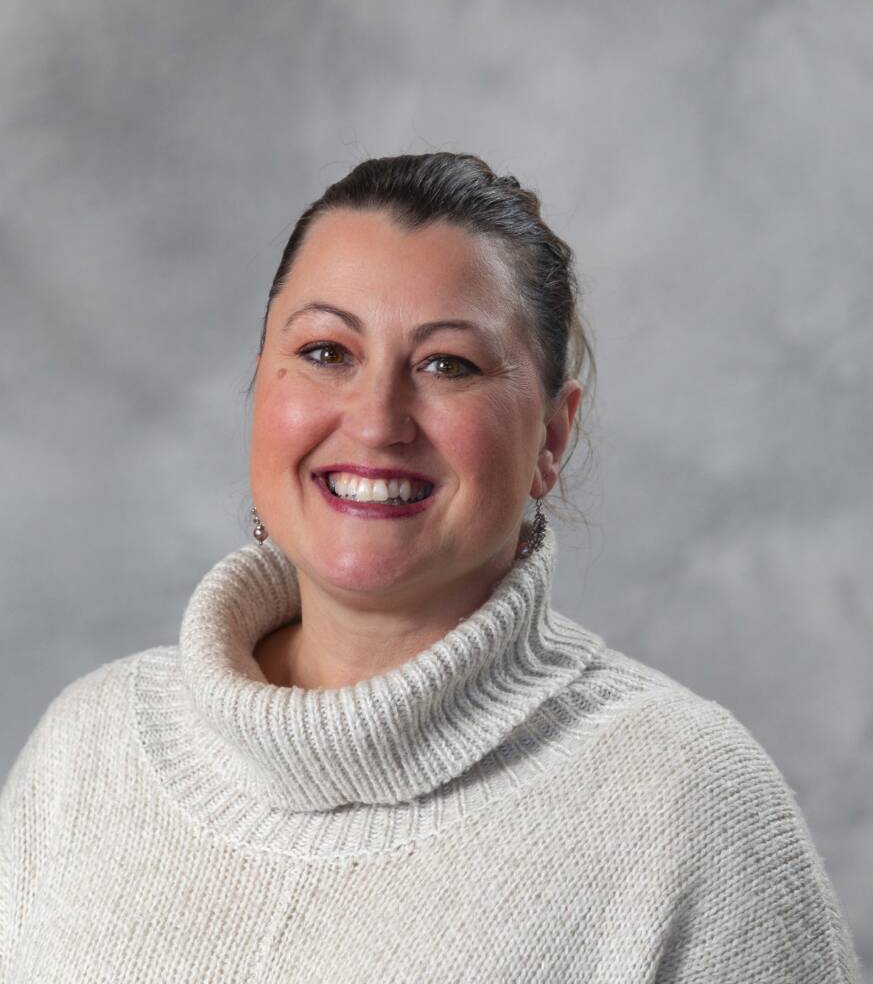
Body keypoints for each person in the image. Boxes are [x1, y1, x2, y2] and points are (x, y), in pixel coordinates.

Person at [0, 153, 862, 983]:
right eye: (327, 352)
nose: (376, 421)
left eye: (446, 365)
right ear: (262, 386)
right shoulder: (93, 748)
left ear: (550, 438)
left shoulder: (685, 807)